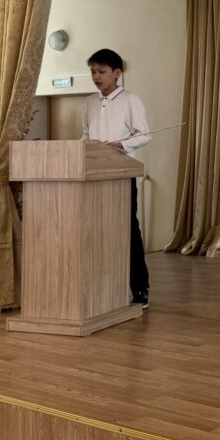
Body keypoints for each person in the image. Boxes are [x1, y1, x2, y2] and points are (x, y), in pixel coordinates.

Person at [82, 49, 152, 307]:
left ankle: (140, 288)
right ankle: (105, 288)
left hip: (121, 174)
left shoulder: (130, 100)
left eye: (101, 72)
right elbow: (85, 135)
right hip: (93, 175)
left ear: (117, 73)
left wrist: (121, 144)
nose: (96, 77)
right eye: (93, 72)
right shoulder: (89, 102)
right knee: (97, 230)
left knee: (128, 230)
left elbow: (144, 134)